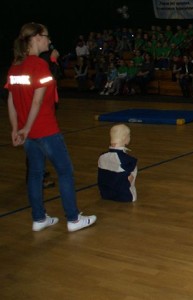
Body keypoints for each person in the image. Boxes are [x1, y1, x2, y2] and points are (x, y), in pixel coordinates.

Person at [6, 22, 97, 232]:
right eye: (46, 36)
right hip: (44, 129)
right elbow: (38, 101)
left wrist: (16, 128)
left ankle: (39, 219)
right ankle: (73, 219)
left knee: (36, 174)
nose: (49, 40)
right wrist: (28, 127)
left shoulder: (15, 66)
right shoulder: (38, 65)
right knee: (65, 172)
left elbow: (11, 100)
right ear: (36, 38)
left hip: (27, 132)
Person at [97, 124, 138, 202]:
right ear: (125, 138)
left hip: (105, 194)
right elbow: (130, 178)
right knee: (132, 169)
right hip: (125, 196)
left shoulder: (101, 157)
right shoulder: (129, 160)